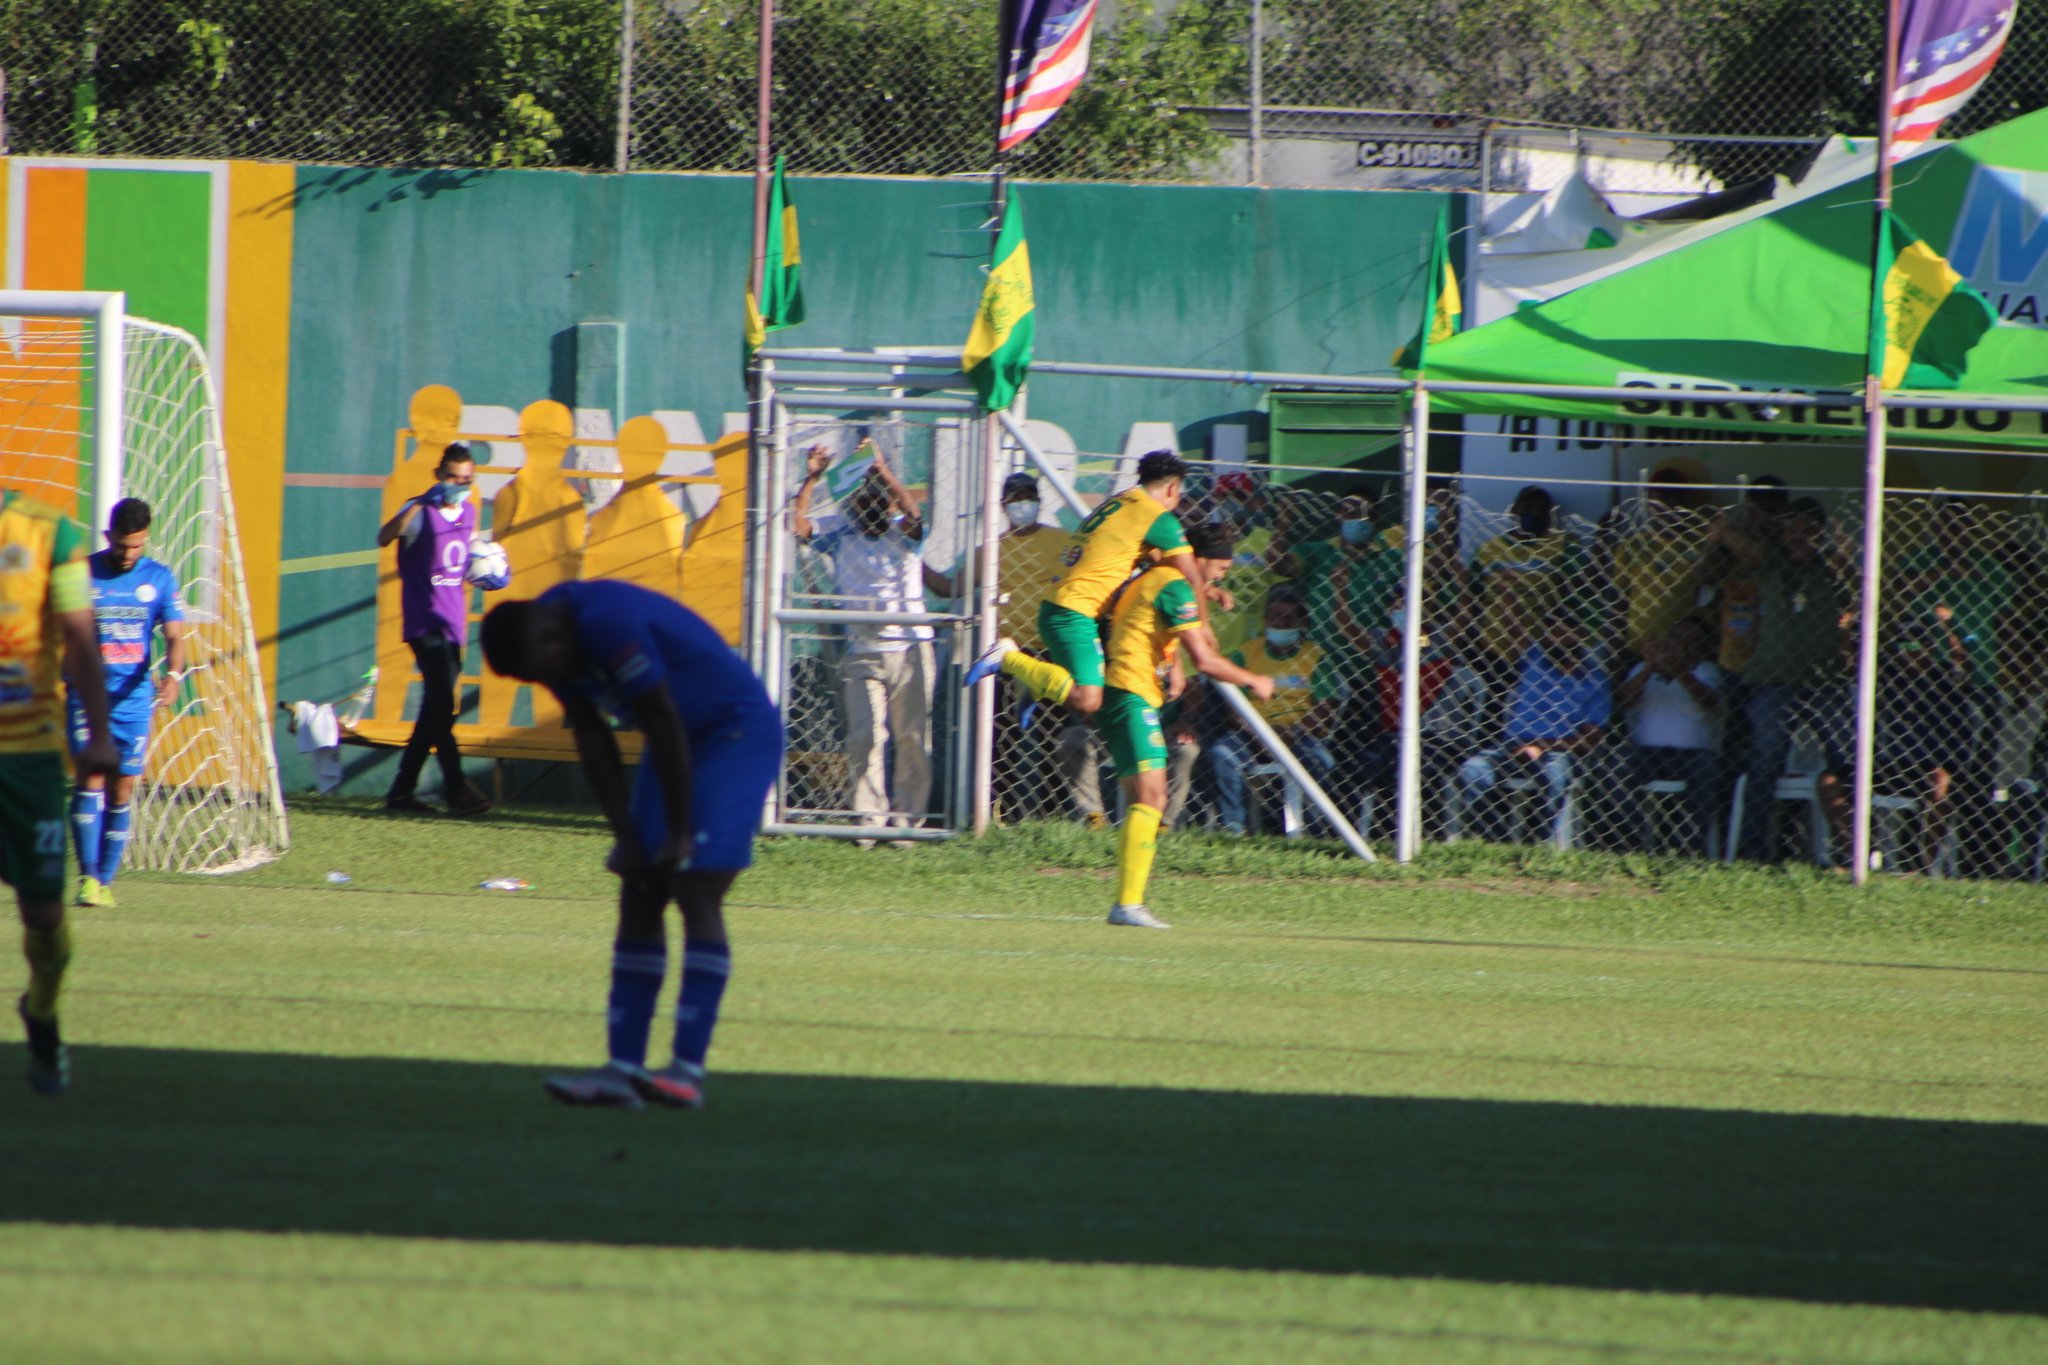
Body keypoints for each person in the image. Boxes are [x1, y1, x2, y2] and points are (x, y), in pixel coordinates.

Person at [481, 580, 783, 1108]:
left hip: (732, 733)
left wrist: (682, 831)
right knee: (640, 889)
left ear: (552, 636)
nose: (552, 681)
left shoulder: (604, 623)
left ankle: (685, 1072)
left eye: (546, 671)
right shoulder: (552, 635)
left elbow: (662, 716)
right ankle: (622, 1071)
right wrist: (625, 835)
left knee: (695, 884)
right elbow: (592, 733)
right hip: (676, 739)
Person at [1096, 522, 1272, 928]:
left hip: (1124, 691)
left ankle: (1127, 900)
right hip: (1132, 692)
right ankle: (1128, 904)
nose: (1218, 577)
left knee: (1143, 798)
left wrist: (1207, 595)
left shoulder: (1158, 578)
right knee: (1154, 797)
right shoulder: (1174, 585)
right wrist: (1253, 680)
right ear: (1199, 560)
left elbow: (1157, 624)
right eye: (1220, 570)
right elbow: (1207, 661)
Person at [3, 489, 118, 1095]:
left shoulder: (56, 536)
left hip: (29, 760)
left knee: (44, 917)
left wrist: (98, 734)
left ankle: (42, 1012)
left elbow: (79, 637)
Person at [966, 449, 1213, 718]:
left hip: (1066, 609)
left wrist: (1208, 589)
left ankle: (1039, 683)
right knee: (1088, 701)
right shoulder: (1156, 516)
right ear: (1173, 487)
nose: (1176, 502)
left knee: (1101, 694)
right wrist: (1204, 627)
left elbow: (1160, 570)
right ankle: (1008, 659)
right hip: (1074, 613)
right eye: (1178, 494)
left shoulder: (1120, 504)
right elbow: (1188, 576)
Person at [792, 441, 942, 842]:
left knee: (912, 737)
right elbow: (798, 525)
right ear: (852, 503)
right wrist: (812, 478)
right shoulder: (840, 535)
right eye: (865, 497)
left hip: (910, 649)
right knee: (866, 736)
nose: (874, 505)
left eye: (881, 496)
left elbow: (915, 515)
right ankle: (868, 824)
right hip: (863, 652)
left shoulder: (906, 535)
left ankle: (908, 824)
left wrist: (884, 471)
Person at [1708, 498, 1850, 862]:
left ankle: (1852, 850)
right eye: (1792, 528)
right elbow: (1741, 545)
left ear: (1820, 534)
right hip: (1772, 679)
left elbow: (1856, 586)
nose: (1799, 536)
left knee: (1847, 757)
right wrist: (1722, 527)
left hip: (1823, 679)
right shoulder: (1769, 562)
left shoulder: (1830, 570)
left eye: (1808, 529)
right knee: (1766, 758)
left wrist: (1843, 550)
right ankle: (1753, 852)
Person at [64, 498, 186, 908]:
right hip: (87, 697)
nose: (129, 554)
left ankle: (106, 882)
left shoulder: (160, 579)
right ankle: (87, 879)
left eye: (136, 546)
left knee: (123, 788)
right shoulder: (81, 574)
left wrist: (173, 675)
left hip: (134, 701)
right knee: (91, 778)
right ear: (108, 537)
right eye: (122, 545)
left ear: (145, 539)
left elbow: (174, 636)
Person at [376, 441, 492, 817]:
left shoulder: (470, 512)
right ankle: (456, 789)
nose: (460, 484)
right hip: (424, 625)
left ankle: (400, 792)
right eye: (453, 478)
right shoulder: (421, 512)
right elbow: (384, 537)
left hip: (453, 624)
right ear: (438, 476)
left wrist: (487, 566)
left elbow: (465, 556)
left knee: (436, 711)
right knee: (442, 705)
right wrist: (416, 504)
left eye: (466, 479)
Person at [1457, 612, 1610, 846]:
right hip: (1513, 746)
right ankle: (1493, 841)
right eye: (1551, 634)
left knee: (1553, 777)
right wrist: (1507, 592)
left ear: (1580, 636)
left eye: (1562, 633)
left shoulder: (1595, 681)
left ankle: (1539, 843)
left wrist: (1540, 746)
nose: (1556, 640)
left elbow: (1588, 741)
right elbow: (1513, 627)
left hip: (1558, 751)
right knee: (1473, 770)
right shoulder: (1535, 660)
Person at [1202, 587, 1343, 836]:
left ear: (1301, 623)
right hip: (1251, 732)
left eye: (1289, 618)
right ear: (1265, 619)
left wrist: (1294, 731)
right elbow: (1232, 708)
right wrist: (1259, 734)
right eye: (1275, 616)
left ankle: (1311, 827)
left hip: (1299, 733)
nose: (1281, 623)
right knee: (1221, 753)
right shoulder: (1245, 654)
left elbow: (1325, 707)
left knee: (1321, 760)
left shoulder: (1315, 656)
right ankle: (1233, 827)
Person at [1615, 617, 1722, 855]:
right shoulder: (1642, 670)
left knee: (1707, 771)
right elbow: (1622, 700)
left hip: (1694, 755)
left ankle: (1686, 851)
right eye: (1677, 639)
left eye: (1692, 641)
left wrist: (1681, 671)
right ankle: (1631, 847)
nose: (1682, 646)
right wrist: (1650, 667)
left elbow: (1709, 702)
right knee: (1617, 766)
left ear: (1703, 646)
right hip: (1647, 753)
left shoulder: (1706, 670)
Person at [1872, 618, 1972, 873]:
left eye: (1917, 645)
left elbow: (1963, 663)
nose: (1910, 652)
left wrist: (1948, 627)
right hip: (1891, 764)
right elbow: (1850, 666)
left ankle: (1920, 867)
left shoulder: (1943, 676)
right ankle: (1856, 857)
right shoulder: (1888, 675)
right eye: (1904, 645)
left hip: (1930, 766)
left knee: (1939, 783)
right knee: (1832, 781)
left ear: (1930, 647)